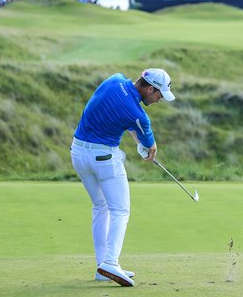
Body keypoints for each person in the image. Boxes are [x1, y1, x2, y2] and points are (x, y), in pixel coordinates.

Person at [70, 68, 175, 287]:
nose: (159, 100)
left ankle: (103, 267)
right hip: (104, 159)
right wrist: (147, 149)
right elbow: (149, 146)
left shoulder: (114, 80)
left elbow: (116, 112)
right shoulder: (139, 116)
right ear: (149, 88)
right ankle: (109, 262)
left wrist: (138, 141)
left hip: (78, 152)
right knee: (120, 210)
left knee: (100, 206)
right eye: (159, 95)